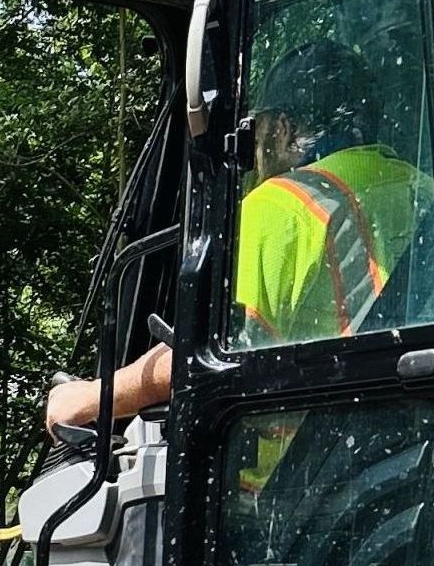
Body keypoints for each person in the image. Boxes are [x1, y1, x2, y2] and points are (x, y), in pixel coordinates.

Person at [46, 40, 427, 438]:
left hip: (297, 476)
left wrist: (89, 397)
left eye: (257, 135)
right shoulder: (424, 192)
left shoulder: (285, 204)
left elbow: (204, 354)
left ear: (280, 129)